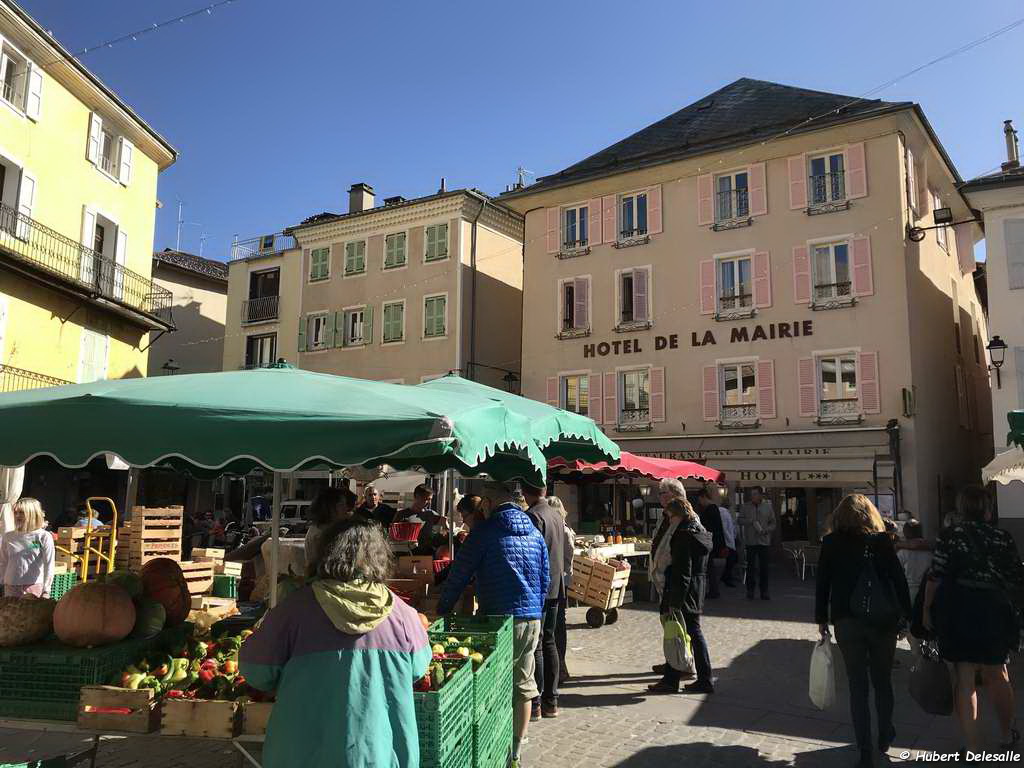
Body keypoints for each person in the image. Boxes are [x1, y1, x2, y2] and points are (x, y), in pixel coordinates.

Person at [239, 518, 430, 767]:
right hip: (380, 756)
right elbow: (417, 669)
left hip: (301, 754)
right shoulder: (404, 616)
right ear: (379, 557)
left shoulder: (293, 610)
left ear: (324, 554)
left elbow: (256, 671)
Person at [436, 481, 549, 768]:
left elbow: (460, 572)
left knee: (495, 685)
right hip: (532, 617)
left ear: (489, 503)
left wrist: (443, 608)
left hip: (499, 619)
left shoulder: (485, 532)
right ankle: (515, 752)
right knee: (523, 684)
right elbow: (545, 579)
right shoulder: (535, 533)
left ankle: (495, 746)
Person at [923, 486, 1024, 754]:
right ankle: (1007, 733)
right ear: (987, 510)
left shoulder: (949, 536)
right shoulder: (1002, 537)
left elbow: (935, 575)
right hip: (994, 608)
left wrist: (925, 610)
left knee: (964, 678)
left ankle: (973, 747)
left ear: (961, 510)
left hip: (959, 609)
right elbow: (1016, 576)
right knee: (998, 674)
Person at [816, 494, 911, 768]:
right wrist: (907, 614)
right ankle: (885, 734)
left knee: (857, 686)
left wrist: (822, 618)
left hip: (847, 619)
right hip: (882, 620)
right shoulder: (882, 541)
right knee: (882, 681)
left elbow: (823, 583)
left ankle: (865, 749)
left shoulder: (831, 543)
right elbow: (898, 579)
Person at [647, 498, 714, 694]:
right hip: (696, 588)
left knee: (680, 633)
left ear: (677, 515)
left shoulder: (684, 535)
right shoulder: (698, 530)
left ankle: (684, 679)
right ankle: (678, 678)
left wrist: (675, 602)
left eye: (669, 516)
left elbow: (683, 570)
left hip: (683, 590)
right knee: (687, 633)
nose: (669, 521)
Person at [523, 483, 565, 720]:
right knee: (549, 642)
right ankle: (552, 700)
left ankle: (537, 702)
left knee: (538, 643)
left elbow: (532, 555)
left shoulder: (533, 516)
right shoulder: (556, 514)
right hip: (555, 587)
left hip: (540, 588)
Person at [650, 478, 689, 677]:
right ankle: (673, 660)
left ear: (673, 494)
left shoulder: (683, 517)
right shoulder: (666, 516)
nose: (659, 497)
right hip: (663, 578)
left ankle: (683, 664)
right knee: (668, 623)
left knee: (678, 624)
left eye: (662, 493)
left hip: (674, 579)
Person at [0, 498, 55, 598]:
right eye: (15, 512)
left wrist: (46, 589)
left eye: (21, 512)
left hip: (33, 586)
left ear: (32, 513)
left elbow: (49, 564)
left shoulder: (43, 536)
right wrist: (2, 581)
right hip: (10, 587)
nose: (17, 516)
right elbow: (3, 562)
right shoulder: (8, 536)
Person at [546, 496, 574, 684]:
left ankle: (561, 664)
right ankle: (560, 665)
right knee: (557, 623)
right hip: (561, 579)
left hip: (561, 580)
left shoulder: (563, 530)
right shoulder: (562, 528)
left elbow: (568, 555)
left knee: (558, 624)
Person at [896, 520, 931, 658]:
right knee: (925, 623)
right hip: (927, 591)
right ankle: (925, 651)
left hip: (909, 592)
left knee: (911, 624)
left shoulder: (903, 553)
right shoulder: (930, 551)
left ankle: (916, 654)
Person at [738, 486, 776, 600]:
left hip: (764, 542)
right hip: (751, 542)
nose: (752, 496)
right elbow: (739, 520)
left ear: (760, 495)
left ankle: (764, 591)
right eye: (751, 494)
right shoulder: (745, 507)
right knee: (751, 568)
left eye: (755, 494)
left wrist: (766, 530)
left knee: (764, 568)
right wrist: (749, 521)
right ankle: (750, 591)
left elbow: (773, 523)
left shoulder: (768, 507)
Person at [304, 486, 357, 565]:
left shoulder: (328, 527)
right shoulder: (320, 533)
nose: (346, 508)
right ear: (330, 508)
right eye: (341, 505)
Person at [394, 484, 441, 554]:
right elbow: (393, 537)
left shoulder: (431, 514)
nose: (429, 502)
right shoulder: (401, 514)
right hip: (406, 556)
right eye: (427, 499)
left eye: (430, 499)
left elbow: (444, 527)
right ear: (416, 497)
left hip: (427, 556)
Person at [696, 486, 725, 599]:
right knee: (709, 567)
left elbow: (709, 527)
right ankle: (713, 590)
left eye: (700, 499)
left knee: (709, 567)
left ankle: (713, 590)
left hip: (710, 542)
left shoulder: (710, 509)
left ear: (703, 497)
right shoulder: (713, 508)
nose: (699, 502)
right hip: (712, 542)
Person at [719, 498, 738, 588]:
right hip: (728, 540)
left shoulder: (725, 513)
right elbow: (727, 528)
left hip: (729, 539)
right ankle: (726, 577)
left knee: (732, 559)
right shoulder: (724, 513)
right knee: (731, 559)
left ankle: (726, 576)